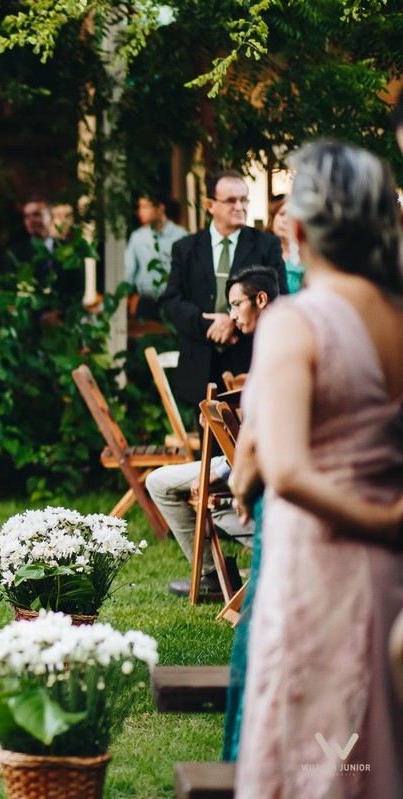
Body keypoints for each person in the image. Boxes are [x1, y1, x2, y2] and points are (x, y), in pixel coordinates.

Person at [231, 141, 403, 796]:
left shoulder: (295, 322)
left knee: (314, 763)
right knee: (376, 756)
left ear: (297, 231)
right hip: (389, 579)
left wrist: (381, 520)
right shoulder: (397, 315)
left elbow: (289, 472)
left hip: (319, 568)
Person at [149, 266, 280, 599]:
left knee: (169, 487)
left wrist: (220, 474)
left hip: (258, 469)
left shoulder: (279, 348)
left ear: (260, 299)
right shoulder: (270, 343)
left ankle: (226, 572)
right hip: (252, 464)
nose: (231, 315)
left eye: (236, 305)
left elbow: (267, 431)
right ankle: (220, 573)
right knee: (177, 487)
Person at [161, 170, 289, 408]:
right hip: (200, 363)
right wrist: (209, 325)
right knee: (206, 432)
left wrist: (234, 321)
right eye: (231, 200)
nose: (240, 206)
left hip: (250, 363)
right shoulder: (186, 248)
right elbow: (172, 301)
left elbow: (280, 298)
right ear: (211, 205)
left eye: (244, 199)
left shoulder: (266, 245)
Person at [6, 195, 83, 315]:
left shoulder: (68, 249)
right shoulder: (16, 254)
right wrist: (42, 317)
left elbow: (78, 289)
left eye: (36, 214)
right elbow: (11, 292)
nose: (31, 220)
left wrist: (61, 314)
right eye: (27, 216)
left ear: (51, 217)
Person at [124, 193, 188, 319]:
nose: (140, 212)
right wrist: (127, 299)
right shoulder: (138, 237)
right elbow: (128, 272)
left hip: (173, 300)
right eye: (139, 207)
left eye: (145, 207)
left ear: (160, 208)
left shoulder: (181, 236)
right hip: (145, 301)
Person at [266, 196, 304, 293]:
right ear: (272, 218)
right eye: (282, 214)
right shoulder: (261, 250)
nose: (286, 220)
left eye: (291, 216)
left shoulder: (305, 253)